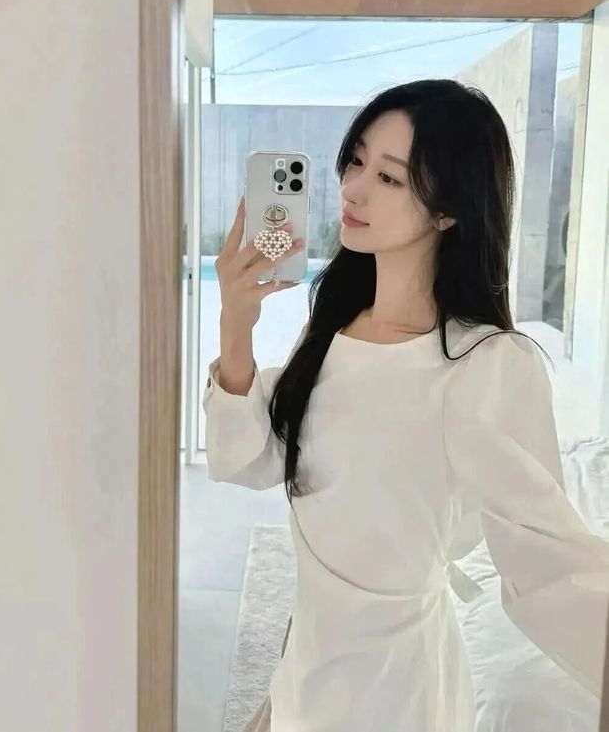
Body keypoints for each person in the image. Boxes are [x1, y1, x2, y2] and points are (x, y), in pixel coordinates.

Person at [202, 79, 609, 732]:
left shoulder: (485, 364)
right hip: (307, 667)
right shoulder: (335, 330)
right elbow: (247, 458)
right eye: (356, 161)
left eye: (389, 178)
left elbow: (548, 561)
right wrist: (236, 325)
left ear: (449, 209)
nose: (354, 189)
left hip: (401, 690)